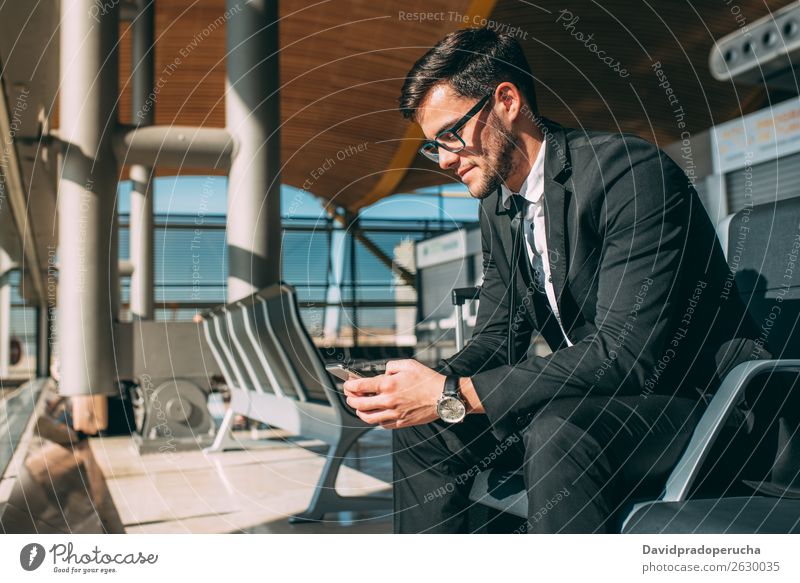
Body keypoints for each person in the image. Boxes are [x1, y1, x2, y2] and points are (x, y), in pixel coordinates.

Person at [342, 28, 767, 533]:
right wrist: (419, 387)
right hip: (595, 397)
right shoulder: (499, 207)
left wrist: (454, 392)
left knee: (559, 431)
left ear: (506, 101)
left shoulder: (630, 176)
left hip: (697, 406)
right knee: (424, 430)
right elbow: (499, 336)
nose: (447, 160)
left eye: (451, 136)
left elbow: (625, 354)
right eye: (435, 148)